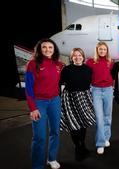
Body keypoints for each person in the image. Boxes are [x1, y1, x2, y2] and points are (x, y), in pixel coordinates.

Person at [25, 38, 64, 169]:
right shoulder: (33, 64)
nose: (47, 49)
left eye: (50, 47)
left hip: (55, 101)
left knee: (55, 132)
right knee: (39, 136)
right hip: (39, 103)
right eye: (44, 47)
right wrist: (33, 108)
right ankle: (37, 165)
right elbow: (29, 88)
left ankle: (52, 158)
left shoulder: (59, 65)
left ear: (54, 50)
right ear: (40, 49)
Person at [60, 48, 96, 161]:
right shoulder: (66, 69)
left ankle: (82, 145)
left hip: (84, 98)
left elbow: (90, 83)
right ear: (71, 58)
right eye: (75, 55)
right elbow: (61, 84)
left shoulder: (88, 69)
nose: (77, 57)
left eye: (79, 55)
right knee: (73, 124)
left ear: (83, 56)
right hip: (70, 98)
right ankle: (78, 148)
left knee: (83, 123)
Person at [86, 42, 114, 155]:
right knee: (99, 117)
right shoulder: (90, 62)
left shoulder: (110, 62)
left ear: (107, 51)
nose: (102, 51)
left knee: (108, 116)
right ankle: (100, 143)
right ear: (97, 50)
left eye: (104, 49)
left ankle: (106, 137)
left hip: (108, 89)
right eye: (100, 49)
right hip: (96, 90)